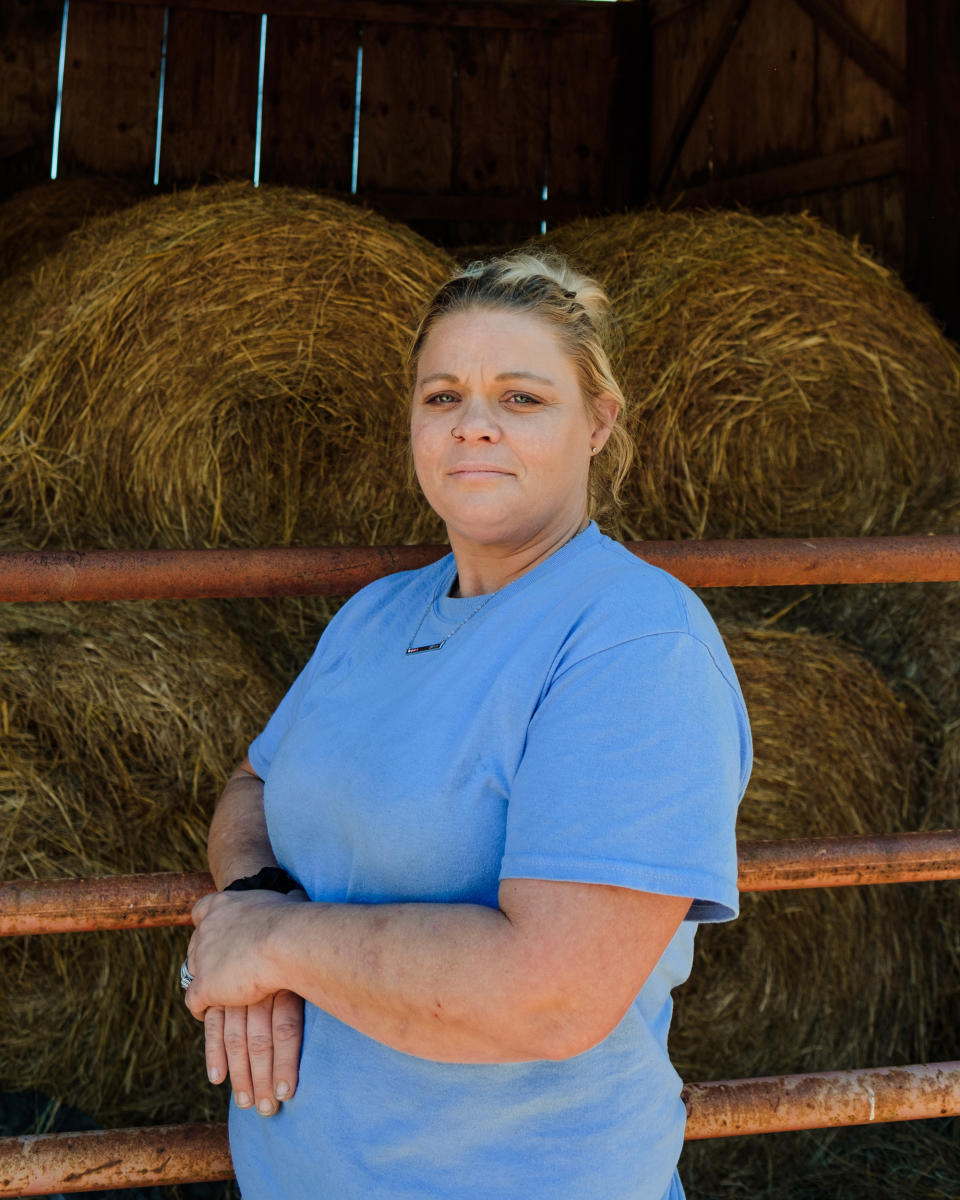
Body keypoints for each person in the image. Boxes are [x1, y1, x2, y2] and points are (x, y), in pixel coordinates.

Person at [182, 251, 752, 1199]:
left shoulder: (633, 641)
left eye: (521, 398)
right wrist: (256, 891)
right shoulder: (375, 616)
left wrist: (273, 947)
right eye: (442, 396)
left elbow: (549, 995)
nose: (474, 425)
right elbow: (255, 782)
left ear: (598, 423)